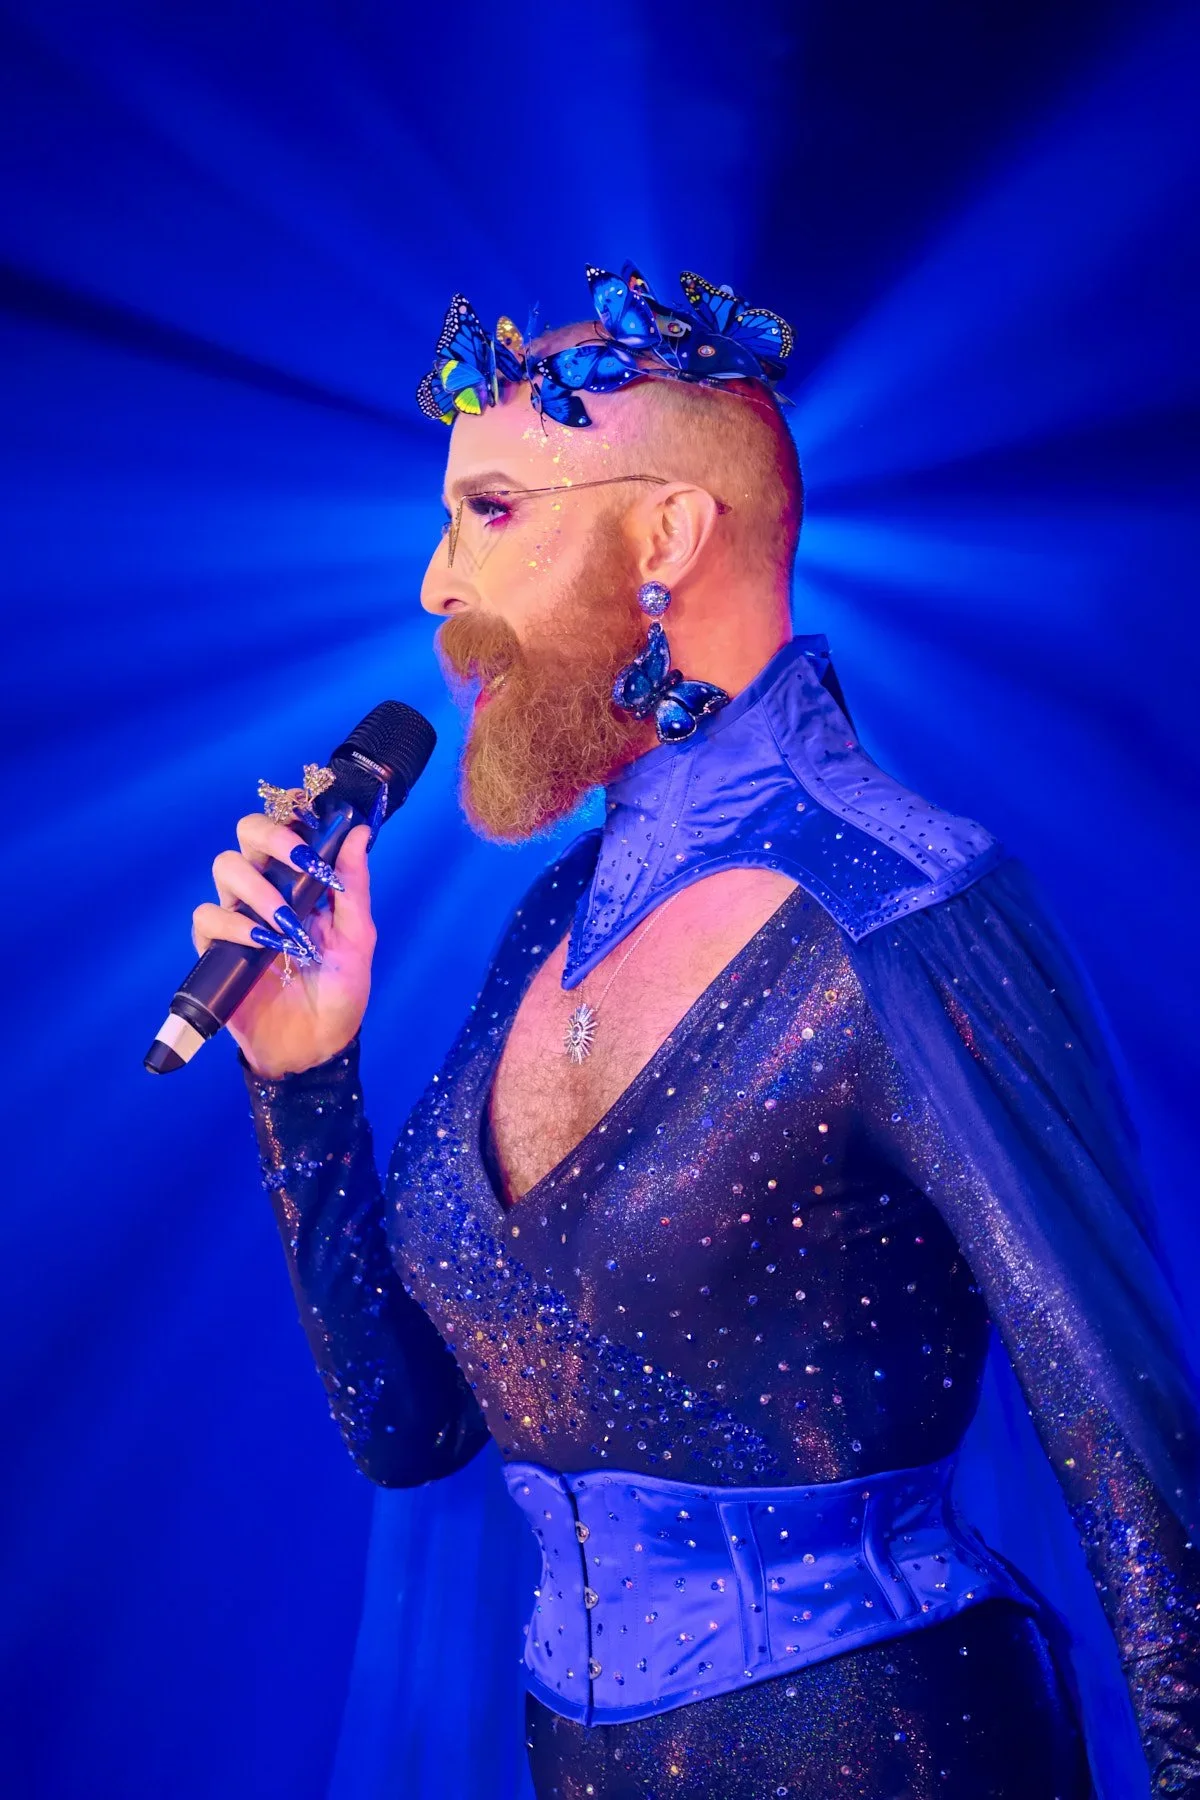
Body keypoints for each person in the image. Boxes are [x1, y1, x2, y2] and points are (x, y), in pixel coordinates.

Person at [192, 265, 1200, 1797]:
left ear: (664, 536)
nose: (434, 587)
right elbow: (412, 1432)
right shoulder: (550, 925)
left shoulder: (908, 908)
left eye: (494, 512)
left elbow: (1146, 1496)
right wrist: (303, 1076)